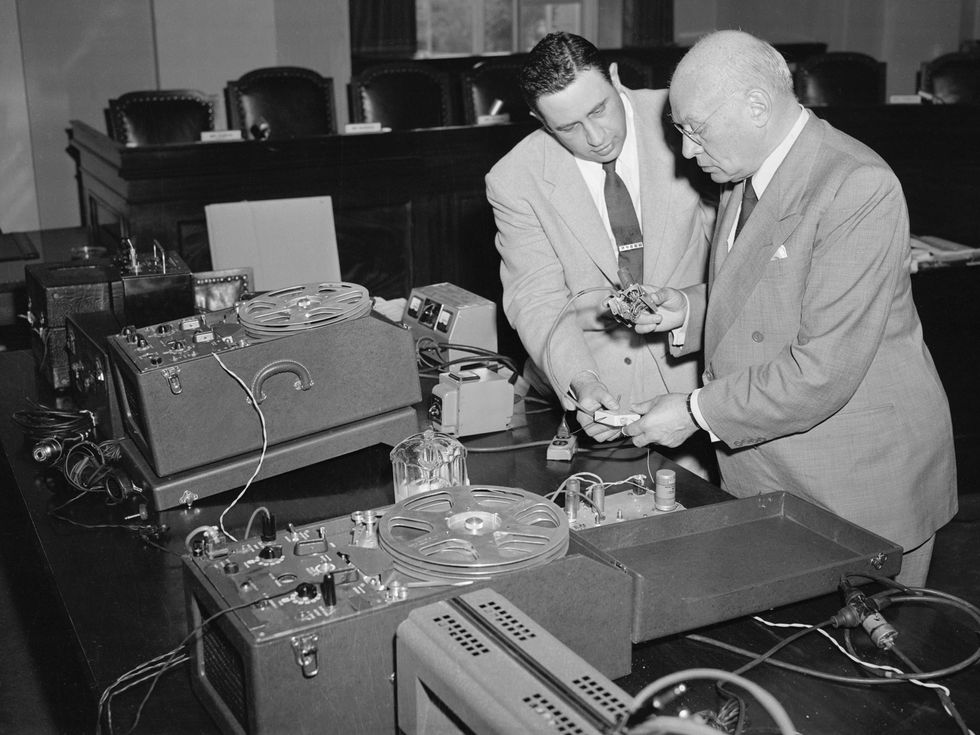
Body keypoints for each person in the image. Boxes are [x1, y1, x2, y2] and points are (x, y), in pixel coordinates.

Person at [623, 30, 957, 587]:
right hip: (773, 469)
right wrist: (687, 308)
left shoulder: (857, 185)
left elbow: (821, 370)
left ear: (757, 106)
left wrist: (694, 411)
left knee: (866, 666)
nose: (685, 151)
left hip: (855, 481)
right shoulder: (742, 171)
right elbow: (767, 288)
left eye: (694, 130)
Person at [486, 32, 716, 476]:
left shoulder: (684, 115)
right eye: (568, 127)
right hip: (601, 393)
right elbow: (536, 297)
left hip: (702, 380)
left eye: (599, 109)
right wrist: (582, 380)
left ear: (615, 78)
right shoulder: (514, 179)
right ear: (539, 120)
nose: (595, 137)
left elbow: (741, 254)